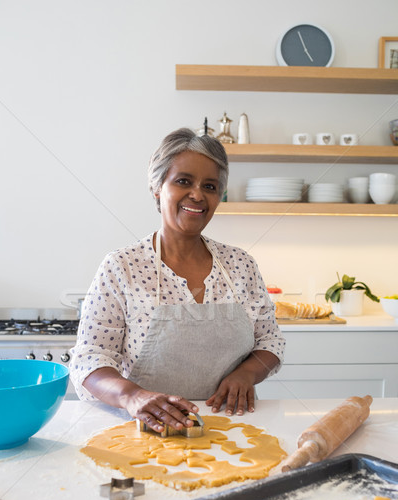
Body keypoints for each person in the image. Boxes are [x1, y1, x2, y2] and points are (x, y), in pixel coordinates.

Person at [69, 128, 285, 434]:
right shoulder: (121, 267)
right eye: (183, 181)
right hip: (148, 430)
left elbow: (270, 341)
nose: (197, 194)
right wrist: (132, 396)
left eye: (209, 186)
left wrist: (247, 374)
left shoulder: (240, 265)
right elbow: (89, 359)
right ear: (158, 188)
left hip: (235, 428)